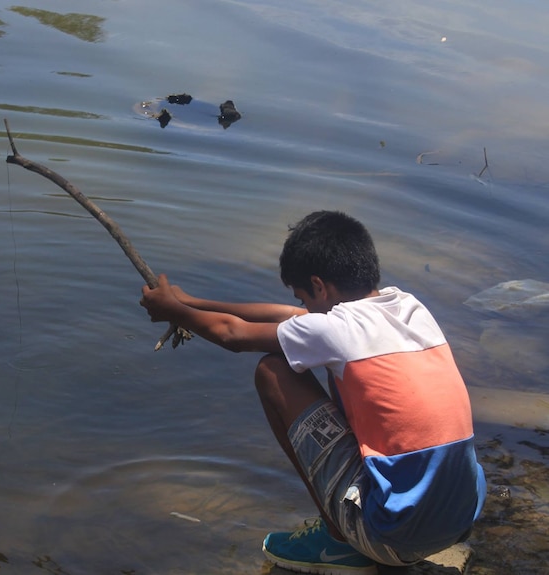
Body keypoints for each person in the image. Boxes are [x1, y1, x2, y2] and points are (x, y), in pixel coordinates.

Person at [140, 211, 485, 574]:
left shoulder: (337, 331)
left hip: (393, 538)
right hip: (457, 521)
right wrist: (190, 303)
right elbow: (288, 316)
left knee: (273, 372)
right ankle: (368, 524)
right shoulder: (409, 308)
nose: (303, 308)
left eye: (304, 297)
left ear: (320, 286)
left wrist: (172, 310)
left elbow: (233, 335)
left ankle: (338, 542)